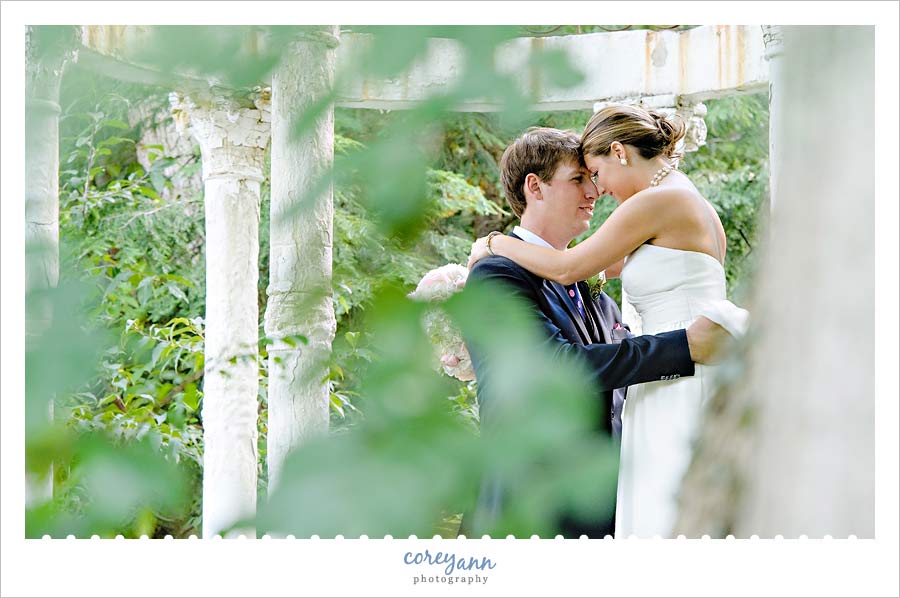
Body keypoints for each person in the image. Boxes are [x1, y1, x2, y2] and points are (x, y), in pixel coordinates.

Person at [462, 125, 732, 539]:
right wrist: (685, 346)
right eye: (578, 179)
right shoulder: (496, 275)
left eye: (593, 178)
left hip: (602, 516)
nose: (594, 192)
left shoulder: (598, 297)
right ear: (535, 187)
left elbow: (616, 386)